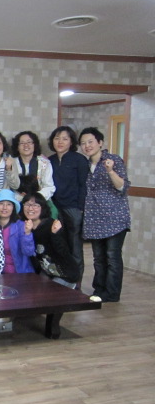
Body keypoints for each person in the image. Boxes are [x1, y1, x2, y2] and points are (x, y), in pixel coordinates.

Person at [79, 127, 131, 302]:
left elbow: (122, 187)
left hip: (115, 217)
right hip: (94, 218)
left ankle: (112, 293)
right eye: (83, 143)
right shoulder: (85, 165)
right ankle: (99, 290)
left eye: (90, 142)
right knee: (98, 258)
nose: (87, 146)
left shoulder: (113, 160)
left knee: (112, 257)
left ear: (100, 143)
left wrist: (110, 171)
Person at [48, 126, 88, 283]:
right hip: (55, 209)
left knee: (75, 247)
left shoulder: (79, 160)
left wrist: (81, 208)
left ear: (71, 142)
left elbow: (84, 185)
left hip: (73, 209)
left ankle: (76, 284)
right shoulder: (48, 161)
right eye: (57, 138)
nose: (60, 142)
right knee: (58, 245)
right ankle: (61, 282)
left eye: (65, 139)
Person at [19, 193, 79, 288]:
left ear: (42, 208)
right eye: (27, 204)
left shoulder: (52, 225)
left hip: (65, 275)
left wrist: (55, 235)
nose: (30, 208)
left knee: (48, 292)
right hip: (47, 272)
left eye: (35, 205)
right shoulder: (24, 227)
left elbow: (64, 252)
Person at [0, 189, 35, 274]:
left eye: (9, 204)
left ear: (13, 208)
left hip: (19, 274)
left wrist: (27, 233)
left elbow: (28, 252)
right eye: (1, 203)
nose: (5, 207)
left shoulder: (21, 226)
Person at [11, 131, 55, 204]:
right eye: (22, 143)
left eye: (29, 142)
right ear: (17, 147)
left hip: (40, 201)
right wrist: (21, 198)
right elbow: (9, 187)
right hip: (17, 202)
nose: (26, 145)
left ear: (35, 145)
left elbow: (49, 187)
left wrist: (34, 198)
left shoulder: (44, 163)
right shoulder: (11, 163)